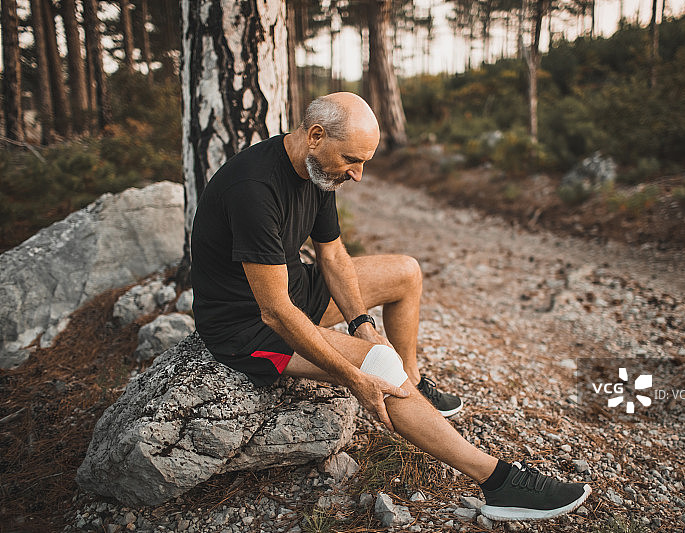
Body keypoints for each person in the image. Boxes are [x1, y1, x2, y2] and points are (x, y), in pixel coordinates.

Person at [190, 92, 591, 521]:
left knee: (406, 272)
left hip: (292, 289)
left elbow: (333, 255)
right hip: (247, 327)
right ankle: (499, 483)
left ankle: (414, 385)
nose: (358, 175)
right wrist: (354, 377)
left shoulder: (319, 168)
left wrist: (360, 320)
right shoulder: (254, 188)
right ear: (316, 135)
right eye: (352, 160)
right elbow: (275, 312)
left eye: (364, 162)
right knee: (379, 366)